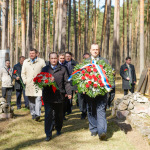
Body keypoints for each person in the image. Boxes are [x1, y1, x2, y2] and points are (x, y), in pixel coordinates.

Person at [42, 52, 72, 141]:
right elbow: (41, 81)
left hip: (60, 96)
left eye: (55, 58)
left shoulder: (63, 69)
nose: (54, 60)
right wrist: (44, 83)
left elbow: (66, 82)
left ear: (58, 58)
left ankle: (58, 128)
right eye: (52, 58)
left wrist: (69, 92)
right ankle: (48, 133)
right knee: (48, 115)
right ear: (49, 59)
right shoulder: (45, 69)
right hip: (48, 96)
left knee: (59, 115)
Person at [85, 44, 109, 140]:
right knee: (91, 110)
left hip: (102, 91)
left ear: (99, 50)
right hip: (89, 92)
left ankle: (102, 131)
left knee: (101, 110)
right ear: (90, 51)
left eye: (97, 49)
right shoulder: (86, 62)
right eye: (93, 49)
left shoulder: (104, 61)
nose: (95, 51)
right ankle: (93, 129)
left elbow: (109, 75)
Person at [21, 48, 45, 121]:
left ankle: (38, 114)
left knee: (38, 99)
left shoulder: (41, 61)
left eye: (33, 53)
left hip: (38, 84)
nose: (31, 55)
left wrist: (43, 81)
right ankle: (33, 113)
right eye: (30, 53)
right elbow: (23, 73)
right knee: (31, 101)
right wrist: (25, 81)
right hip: (29, 84)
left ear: (36, 54)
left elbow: (44, 72)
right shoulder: (25, 61)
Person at [58, 53, 68, 120]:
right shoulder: (56, 65)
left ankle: (63, 115)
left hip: (64, 87)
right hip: (57, 86)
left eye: (63, 58)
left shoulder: (66, 66)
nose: (62, 59)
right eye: (60, 58)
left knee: (64, 103)